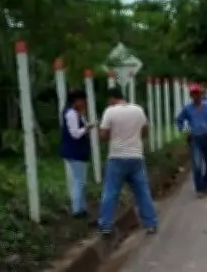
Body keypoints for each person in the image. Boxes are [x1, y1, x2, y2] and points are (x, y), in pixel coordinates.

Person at [97, 87, 158, 235]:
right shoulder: (138, 110)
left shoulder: (110, 112)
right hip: (136, 157)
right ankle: (150, 223)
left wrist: (112, 134)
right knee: (142, 192)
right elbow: (145, 132)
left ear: (112, 98)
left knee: (111, 192)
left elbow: (103, 135)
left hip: (117, 157)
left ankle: (106, 224)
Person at [176, 83, 207, 198]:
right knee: (197, 165)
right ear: (191, 95)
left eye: (197, 93)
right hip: (195, 139)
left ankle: (205, 185)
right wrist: (184, 131)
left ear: (201, 94)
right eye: (193, 94)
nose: (195, 96)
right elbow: (179, 121)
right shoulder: (187, 108)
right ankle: (200, 189)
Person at [60, 89, 95, 218]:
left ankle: (82, 207)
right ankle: (77, 210)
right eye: (82, 100)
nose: (84, 102)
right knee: (79, 181)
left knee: (81, 181)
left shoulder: (76, 113)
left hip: (79, 151)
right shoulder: (71, 114)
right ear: (76, 100)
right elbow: (75, 133)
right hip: (75, 151)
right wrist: (87, 128)